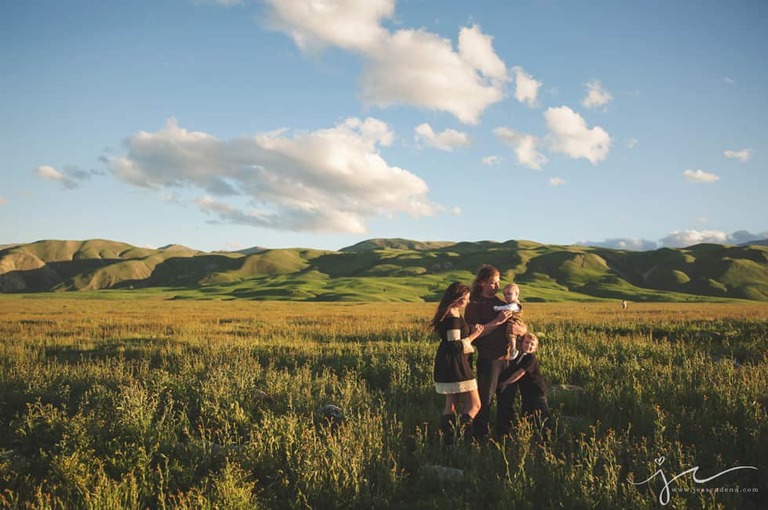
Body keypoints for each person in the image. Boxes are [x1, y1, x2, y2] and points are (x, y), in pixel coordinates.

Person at [464, 265, 516, 439]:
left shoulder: (502, 303)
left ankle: (504, 435)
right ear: (481, 282)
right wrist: (498, 321)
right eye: (492, 283)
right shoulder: (474, 304)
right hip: (489, 359)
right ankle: (480, 435)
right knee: (485, 400)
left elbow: (517, 323)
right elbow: (475, 333)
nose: (496, 287)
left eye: (498, 283)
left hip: (507, 357)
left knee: (506, 400)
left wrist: (520, 329)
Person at [432, 282, 485, 445]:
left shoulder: (448, 313)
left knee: (451, 405)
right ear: (458, 298)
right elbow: (454, 345)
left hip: (447, 364)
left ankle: (447, 442)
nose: (468, 302)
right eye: (466, 298)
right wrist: (474, 335)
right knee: (475, 405)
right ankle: (458, 438)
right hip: (456, 366)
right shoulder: (453, 318)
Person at [497, 333, 552, 441]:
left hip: (536, 393)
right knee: (528, 416)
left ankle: (547, 439)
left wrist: (505, 383)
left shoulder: (530, 358)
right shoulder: (521, 356)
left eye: (532, 344)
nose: (529, 346)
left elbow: (520, 373)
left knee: (541, 416)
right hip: (527, 395)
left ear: (536, 348)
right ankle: (532, 437)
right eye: (526, 342)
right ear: (521, 343)